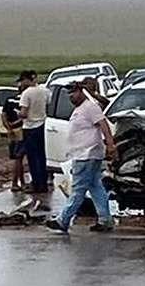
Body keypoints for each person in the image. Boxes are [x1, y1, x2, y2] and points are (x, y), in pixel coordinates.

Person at [47, 82, 117, 233]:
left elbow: (103, 124)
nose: (71, 96)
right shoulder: (81, 109)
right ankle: (105, 219)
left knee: (78, 189)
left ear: (82, 92)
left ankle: (63, 220)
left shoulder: (89, 107)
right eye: (69, 94)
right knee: (95, 188)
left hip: (86, 155)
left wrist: (110, 144)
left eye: (74, 93)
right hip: (84, 154)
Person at [17, 70, 49, 194]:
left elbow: (24, 113)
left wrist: (19, 114)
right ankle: (43, 183)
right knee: (41, 156)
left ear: (26, 79)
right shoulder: (44, 91)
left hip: (29, 127)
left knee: (32, 157)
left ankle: (36, 184)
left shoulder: (26, 93)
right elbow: (48, 103)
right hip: (42, 124)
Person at [2, 81, 28, 192]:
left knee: (16, 158)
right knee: (21, 157)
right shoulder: (25, 100)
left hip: (11, 131)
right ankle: (19, 182)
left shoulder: (9, 100)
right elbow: (25, 116)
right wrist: (17, 124)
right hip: (22, 130)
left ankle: (17, 182)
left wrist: (8, 127)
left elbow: (3, 115)